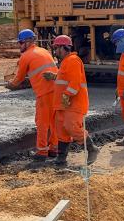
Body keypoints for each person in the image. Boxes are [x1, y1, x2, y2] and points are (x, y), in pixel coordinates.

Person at [6, 29, 58, 161]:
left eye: (20, 43)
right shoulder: (44, 51)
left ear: (28, 42)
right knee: (53, 121)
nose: (19, 46)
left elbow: (18, 79)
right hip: (56, 89)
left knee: (41, 122)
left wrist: (10, 84)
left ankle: (42, 152)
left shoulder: (26, 56)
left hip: (44, 92)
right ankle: (54, 148)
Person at [51, 34, 98, 166]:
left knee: (71, 127)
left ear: (64, 48)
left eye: (57, 48)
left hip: (73, 103)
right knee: (62, 131)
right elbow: (66, 79)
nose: (55, 51)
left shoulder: (73, 60)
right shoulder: (66, 62)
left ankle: (92, 148)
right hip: (63, 104)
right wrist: (54, 76)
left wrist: (67, 95)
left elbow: (75, 82)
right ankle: (61, 159)